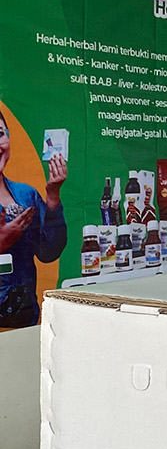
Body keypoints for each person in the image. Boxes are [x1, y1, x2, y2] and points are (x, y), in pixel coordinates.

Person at [0, 108, 67, 328]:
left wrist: (52, 196)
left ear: (8, 137)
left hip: (25, 320)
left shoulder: (25, 194)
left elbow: (48, 252)